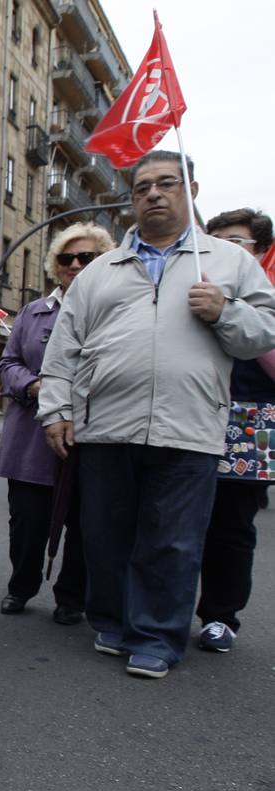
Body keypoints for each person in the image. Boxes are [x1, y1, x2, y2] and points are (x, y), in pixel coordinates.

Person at [38, 151, 275, 679]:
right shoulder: (101, 270)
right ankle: (112, 621)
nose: (153, 194)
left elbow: (266, 331)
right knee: (106, 535)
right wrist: (56, 411)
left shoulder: (229, 262)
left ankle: (156, 637)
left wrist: (225, 311)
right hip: (106, 427)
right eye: (142, 186)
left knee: (172, 539)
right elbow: (63, 349)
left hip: (190, 427)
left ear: (191, 190)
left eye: (166, 183)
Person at [0, 223, 114, 623]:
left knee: (86, 524)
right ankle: (21, 585)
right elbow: (7, 364)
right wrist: (34, 386)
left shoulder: (118, 310)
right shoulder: (33, 312)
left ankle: (72, 598)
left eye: (86, 257)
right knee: (27, 522)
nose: (75, 265)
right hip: (32, 438)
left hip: (95, 434)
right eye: (67, 258)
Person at [195, 208, 275, 652]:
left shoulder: (267, 300)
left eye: (236, 242)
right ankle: (160, 609)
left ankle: (220, 616)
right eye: (216, 240)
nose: (224, 249)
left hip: (248, 425)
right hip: (191, 414)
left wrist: (230, 314)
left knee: (231, 526)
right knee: (172, 518)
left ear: (259, 251)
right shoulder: (194, 285)